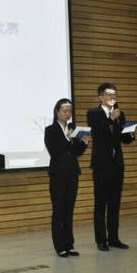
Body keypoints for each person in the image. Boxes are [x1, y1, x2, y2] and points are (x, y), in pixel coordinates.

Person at [86, 83, 135, 252]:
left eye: (114, 94)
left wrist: (131, 132)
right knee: (100, 204)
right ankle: (101, 240)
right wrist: (111, 119)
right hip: (101, 165)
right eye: (108, 94)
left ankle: (114, 238)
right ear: (100, 97)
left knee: (115, 203)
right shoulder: (93, 113)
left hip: (117, 165)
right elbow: (99, 134)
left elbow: (125, 139)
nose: (112, 97)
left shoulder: (120, 113)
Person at [44, 98, 89, 257]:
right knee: (58, 211)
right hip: (58, 175)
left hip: (72, 174)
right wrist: (68, 138)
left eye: (70, 111)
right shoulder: (50, 130)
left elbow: (77, 152)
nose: (68, 114)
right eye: (65, 111)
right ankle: (59, 246)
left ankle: (69, 244)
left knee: (69, 211)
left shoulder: (73, 128)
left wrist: (84, 143)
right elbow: (55, 151)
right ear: (57, 112)